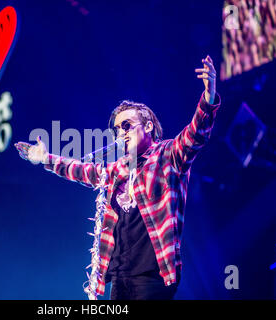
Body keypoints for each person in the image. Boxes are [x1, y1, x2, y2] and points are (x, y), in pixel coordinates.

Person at [15, 55, 221, 300]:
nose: (120, 133)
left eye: (126, 125)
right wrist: (45, 158)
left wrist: (208, 99)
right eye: (116, 129)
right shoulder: (116, 171)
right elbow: (80, 170)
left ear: (148, 127)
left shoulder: (167, 156)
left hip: (152, 277)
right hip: (120, 279)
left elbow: (195, 135)